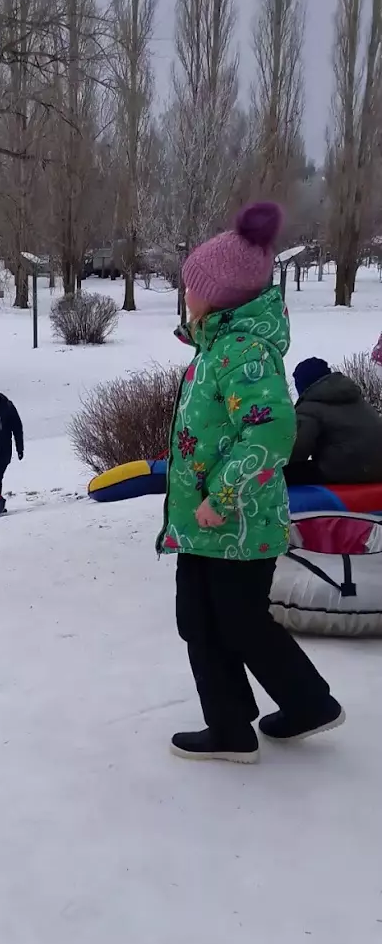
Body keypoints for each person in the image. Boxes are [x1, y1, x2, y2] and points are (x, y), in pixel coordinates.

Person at [158, 201, 344, 764]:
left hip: (234, 521)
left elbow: (270, 434)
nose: (185, 295)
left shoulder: (244, 352)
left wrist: (222, 495)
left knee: (236, 623)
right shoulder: (217, 347)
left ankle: (308, 703)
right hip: (206, 524)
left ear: (219, 296)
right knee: (201, 621)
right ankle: (231, 727)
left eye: (192, 287)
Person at [284, 357, 382, 486]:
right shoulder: (356, 399)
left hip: (347, 470)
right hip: (378, 468)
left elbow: (297, 451)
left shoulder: (310, 407)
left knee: (281, 475)